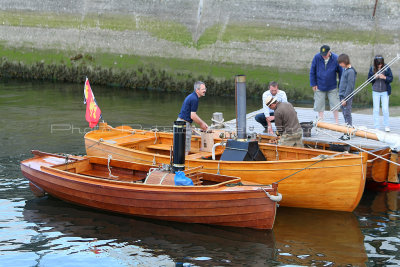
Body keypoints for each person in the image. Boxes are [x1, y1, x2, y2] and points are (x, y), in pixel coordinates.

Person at [310, 45, 343, 123]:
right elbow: (312, 71)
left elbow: (341, 73)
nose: (324, 56)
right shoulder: (317, 57)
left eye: (325, 54)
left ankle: (336, 122)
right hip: (319, 85)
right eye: (322, 54)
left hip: (332, 86)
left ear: (329, 52)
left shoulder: (336, 58)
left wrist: (340, 86)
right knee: (319, 105)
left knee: (335, 105)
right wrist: (313, 84)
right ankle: (321, 121)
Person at [177, 81, 208, 154]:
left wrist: (201, 123)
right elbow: (193, 116)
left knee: (181, 146)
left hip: (180, 122)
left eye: (205, 88)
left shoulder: (192, 96)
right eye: (203, 89)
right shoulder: (194, 99)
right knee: (185, 148)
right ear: (197, 90)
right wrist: (202, 124)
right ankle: (184, 163)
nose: (205, 90)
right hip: (184, 124)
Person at [368, 55, 394, 132]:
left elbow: (391, 78)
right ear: (375, 63)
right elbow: (369, 80)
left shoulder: (387, 67)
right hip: (375, 91)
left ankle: (386, 125)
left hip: (385, 92)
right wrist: (374, 77)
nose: (380, 65)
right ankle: (376, 127)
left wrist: (385, 77)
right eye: (378, 64)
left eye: (381, 64)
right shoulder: (372, 68)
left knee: (385, 109)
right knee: (376, 110)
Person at [338, 53, 357, 140]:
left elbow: (350, 86)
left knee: (347, 113)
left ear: (345, 62)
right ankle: (347, 129)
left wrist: (345, 98)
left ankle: (349, 132)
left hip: (346, 97)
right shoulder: (345, 70)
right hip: (342, 96)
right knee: (344, 114)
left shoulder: (351, 72)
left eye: (341, 63)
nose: (340, 65)